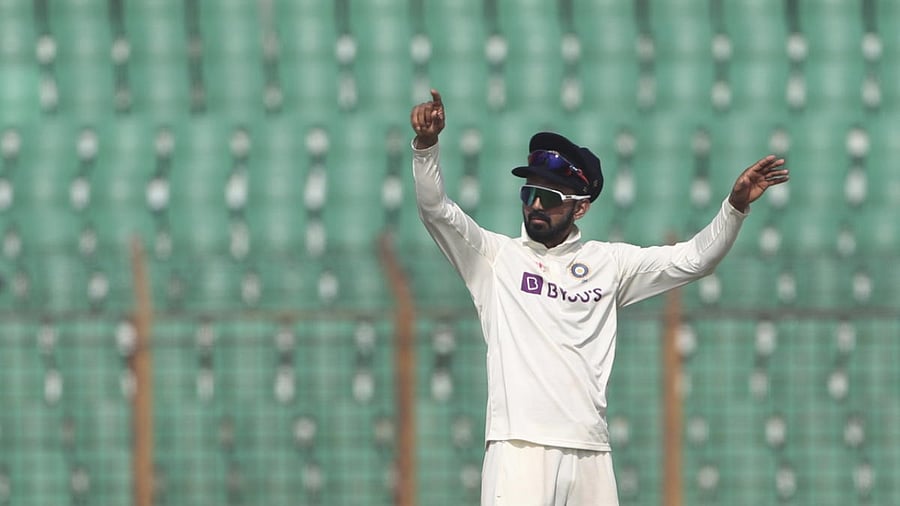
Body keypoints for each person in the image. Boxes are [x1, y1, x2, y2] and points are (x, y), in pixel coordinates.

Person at [409, 89, 789, 506]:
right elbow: (436, 210)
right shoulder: (495, 258)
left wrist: (734, 208)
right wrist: (427, 147)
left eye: (549, 198)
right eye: (528, 193)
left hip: (590, 450)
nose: (535, 204)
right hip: (520, 447)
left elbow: (695, 260)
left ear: (581, 208)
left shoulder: (608, 263)